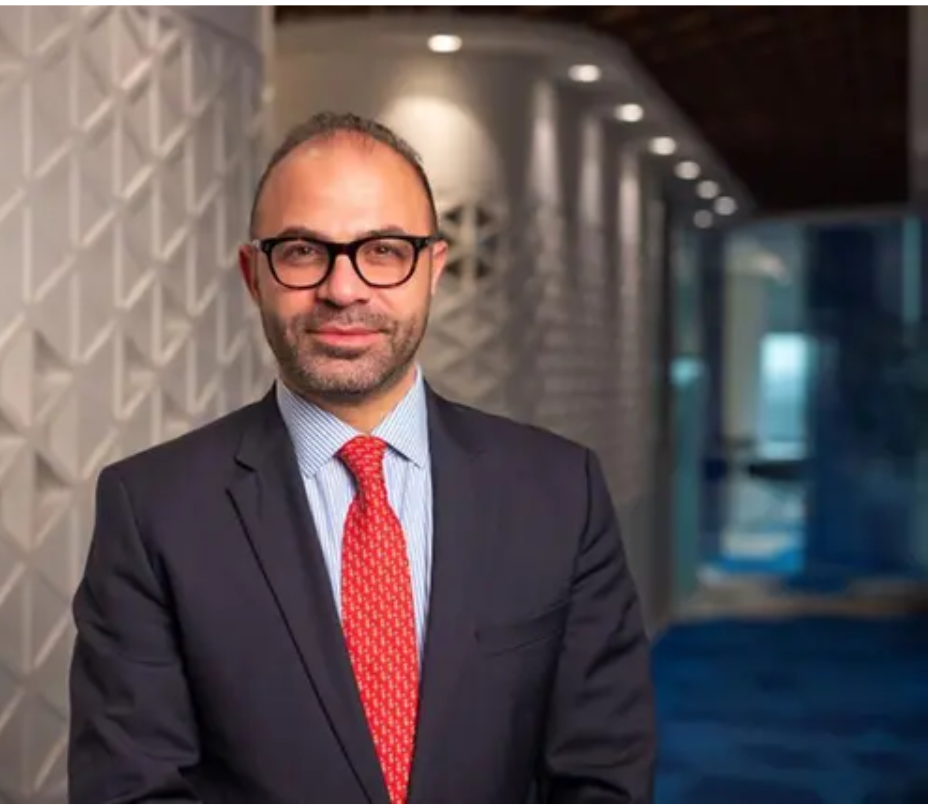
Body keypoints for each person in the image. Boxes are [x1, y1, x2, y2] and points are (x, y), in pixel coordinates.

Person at [67, 111, 656, 804]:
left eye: (383, 250)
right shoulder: (153, 509)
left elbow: (603, 775)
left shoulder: (559, 492)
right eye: (301, 250)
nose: (343, 289)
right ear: (254, 275)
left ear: (433, 268)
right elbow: (131, 791)